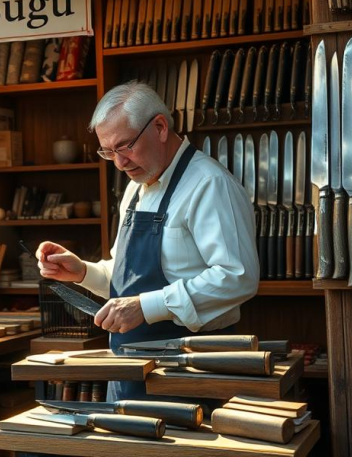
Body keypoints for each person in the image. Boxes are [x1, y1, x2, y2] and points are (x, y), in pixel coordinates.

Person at [36, 81, 259, 401]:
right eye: (108, 151)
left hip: (188, 376)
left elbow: (238, 276)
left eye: (124, 146)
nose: (118, 162)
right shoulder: (136, 185)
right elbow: (128, 280)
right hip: (129, 369)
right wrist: (82, 272)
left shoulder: (209, 184)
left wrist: (146, 307)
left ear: (159, 126)